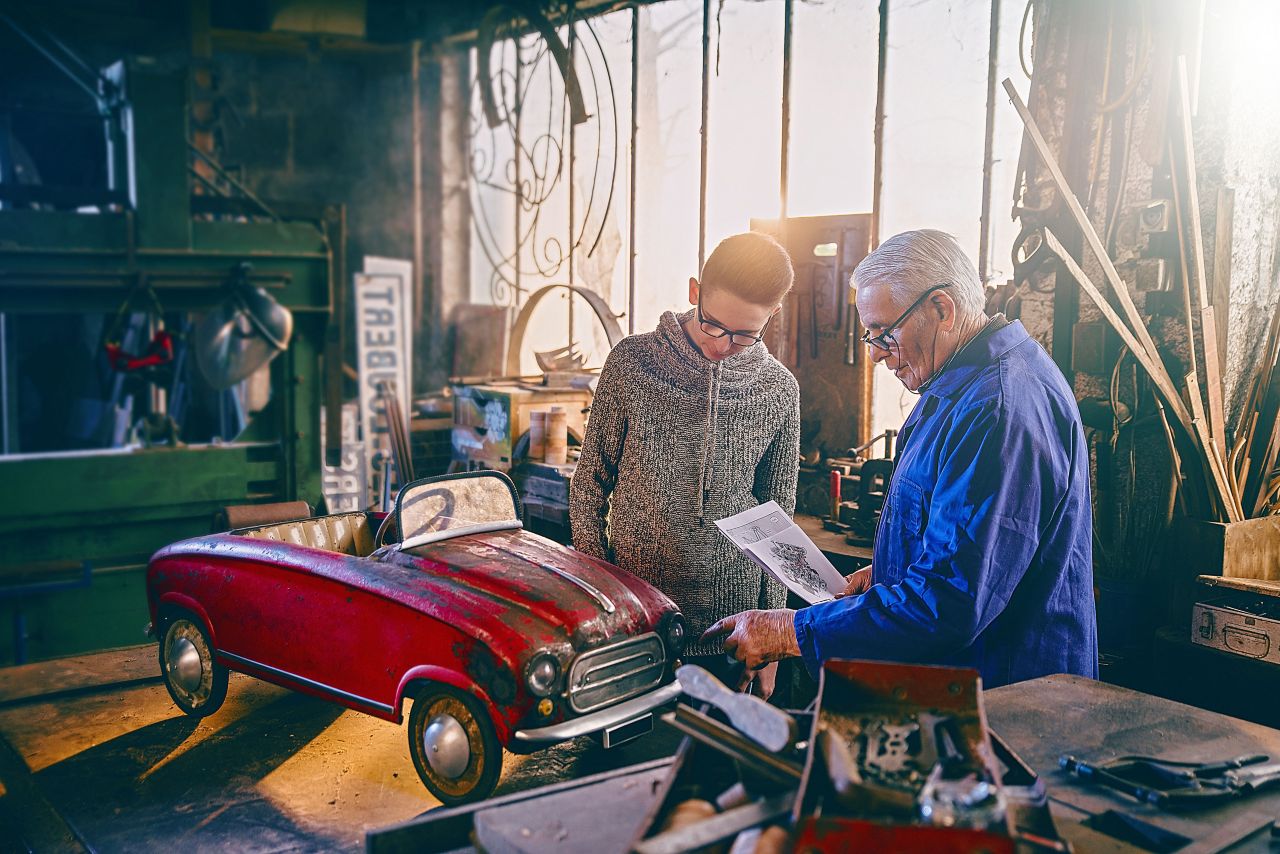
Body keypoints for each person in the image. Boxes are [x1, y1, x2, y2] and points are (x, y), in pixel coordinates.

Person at [701, 229, 1098, 689]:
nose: (874, 356)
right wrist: (892, 568)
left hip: (1007, 696)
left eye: (884, 334)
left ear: (942, 310)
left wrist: (790, 630)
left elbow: (949, 603)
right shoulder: (955, 384)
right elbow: (965, 545)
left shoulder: (998, 409)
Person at [570, 231, 800, 699]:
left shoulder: (780, 390)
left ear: (772, 317)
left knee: (711, 766)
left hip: (734, 635)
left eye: (744, 335)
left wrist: (773, 640)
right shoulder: (632, 363)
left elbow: (779, 521)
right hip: (635, 622)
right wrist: (603, 600)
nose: (721, 344)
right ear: (695, 293)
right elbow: (589, 485)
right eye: (713, 324)